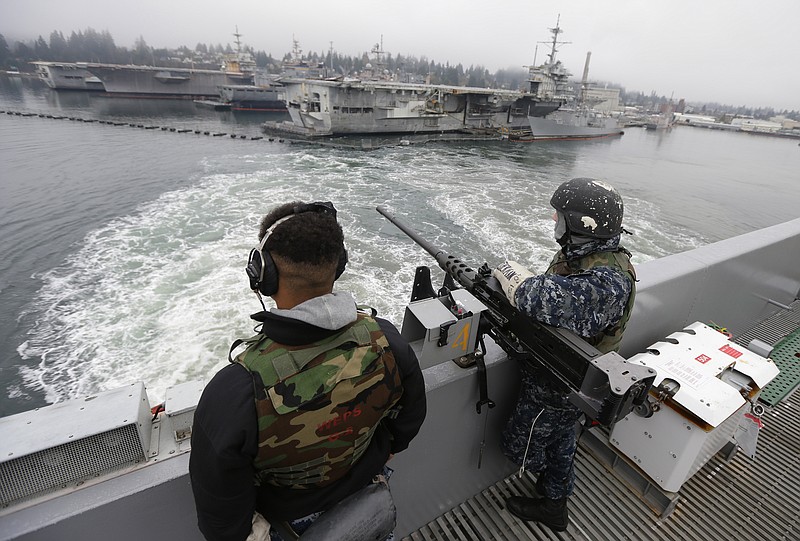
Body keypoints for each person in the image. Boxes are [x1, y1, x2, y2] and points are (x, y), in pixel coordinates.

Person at [189, 201, 427, 541]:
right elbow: (408, 420)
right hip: (369, 496)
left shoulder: (237, 392)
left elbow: (222, 519)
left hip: (295, 523)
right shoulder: (387, 341)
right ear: (339, 265)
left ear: (263, 273)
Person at [491, 178, 636, 533]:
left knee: (518, 445)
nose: (554, 223)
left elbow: (537, 297)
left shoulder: (607, 280)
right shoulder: (584, 256)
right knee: (562, 437)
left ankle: (551, 496)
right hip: (564, 373)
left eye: (560, 217)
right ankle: (555, 501)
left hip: (562, 383)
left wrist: (511, 277)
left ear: (581, 225)